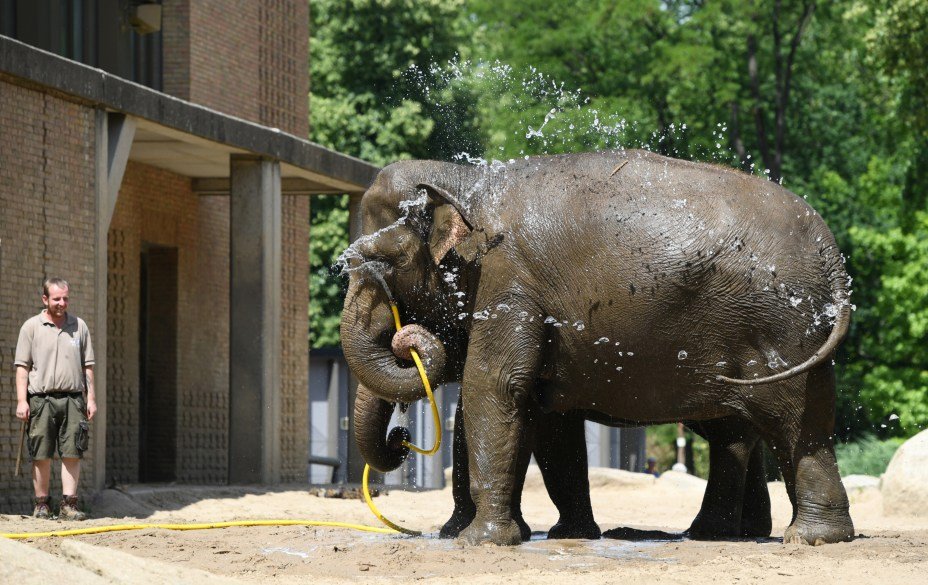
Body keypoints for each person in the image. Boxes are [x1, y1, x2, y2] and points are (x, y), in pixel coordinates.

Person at [14, 277, 96, 520]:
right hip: (41, 400)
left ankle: (69, 504)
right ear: (45, 299)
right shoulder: (31, 327)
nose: (62, 303)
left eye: (65, 298)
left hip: (73, 399)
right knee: (41, 453)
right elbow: (22, 367)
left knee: (73, 452)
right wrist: (21, 401)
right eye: (57, 299)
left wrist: (91, 399)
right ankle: (42, 504)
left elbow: (88, 366)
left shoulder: (79, 326)